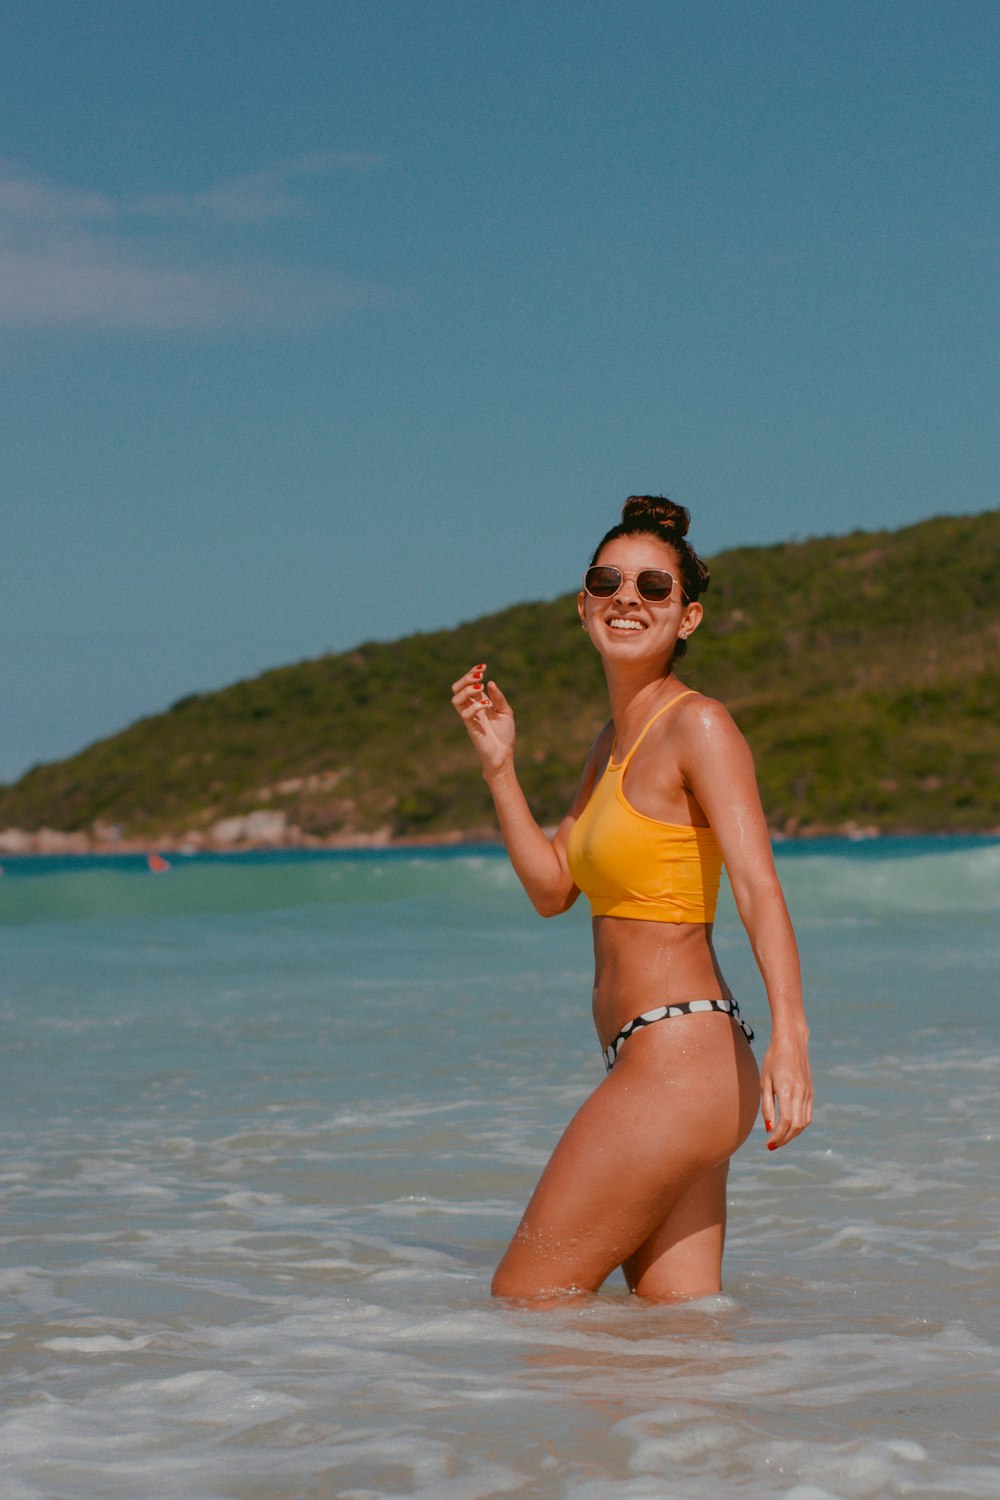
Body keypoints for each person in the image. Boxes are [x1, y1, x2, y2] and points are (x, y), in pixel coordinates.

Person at [451, 495, 813, 1302]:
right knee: (675, 1348)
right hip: (676, 1065)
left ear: (687, 618)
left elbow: (758, 886)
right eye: (607, 581)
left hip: (678, 1066)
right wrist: (499, 766)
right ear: (582, 607)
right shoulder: (608, 743)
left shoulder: (700, 727)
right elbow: (553, 889)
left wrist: (792, 1036)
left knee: (526, 1303)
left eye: (654, 588)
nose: (627, 598)